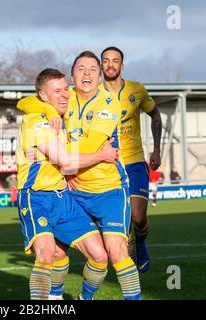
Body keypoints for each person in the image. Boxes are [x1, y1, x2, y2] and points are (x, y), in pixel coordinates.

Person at [18, 53, 142, 301]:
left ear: (100, 76)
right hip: (73, 192)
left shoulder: (110, 103)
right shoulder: (64, 98)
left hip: (109, 191)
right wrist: (43, 108)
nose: (87, 73)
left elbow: (92, 144)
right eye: (81, 69)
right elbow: (26, 102)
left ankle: (86, 298)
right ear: (73, 75)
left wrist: (69, 163)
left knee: (115, 253)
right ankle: (53, 299)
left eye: (93, 69)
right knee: (56, 254)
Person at [99, 46, 162, 273]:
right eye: (106, 60)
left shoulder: (136, 90)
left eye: (115, 60)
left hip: (134, 160)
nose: (110, 64)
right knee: (120, 221)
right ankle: (126, 255)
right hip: (107, 165)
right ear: (101, 65)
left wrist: (156, 150)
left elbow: (155, 114)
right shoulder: (94, 93)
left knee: (138, 216)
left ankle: (141, 242)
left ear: (122, 66)